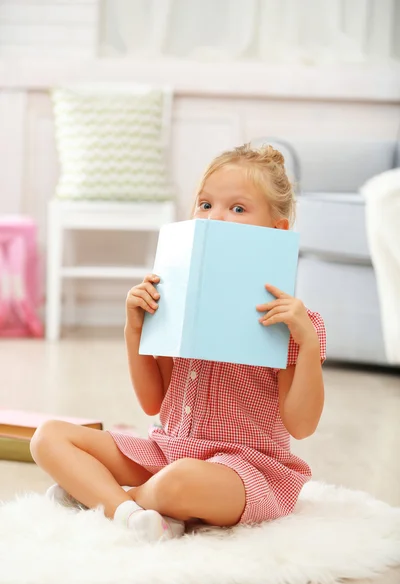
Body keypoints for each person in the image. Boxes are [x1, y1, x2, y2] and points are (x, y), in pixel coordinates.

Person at [31, 144, 326, 542]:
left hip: (245, 470)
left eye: (237, 208)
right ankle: (132, 514)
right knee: (48, 436)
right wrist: (135, 330)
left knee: (179, 482)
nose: (215, 216)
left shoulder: (293, 322)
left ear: (277, 229)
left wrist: (307, 346)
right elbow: (155, 402)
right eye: (205, 204)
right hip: (168, 449)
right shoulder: (176, 297)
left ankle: (109, 501)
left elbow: (302, 425)